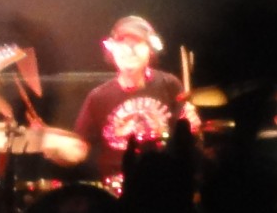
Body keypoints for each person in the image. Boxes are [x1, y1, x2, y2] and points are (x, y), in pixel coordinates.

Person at [72, 15, 197, 187]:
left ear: (150, 50)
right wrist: (54, 144)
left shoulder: (170, 85)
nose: (129, 51)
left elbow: (186, 141)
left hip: (163, 183)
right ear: (112, 51)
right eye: (122, 45)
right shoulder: (98, 97)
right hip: (116, 187)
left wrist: (192, 126)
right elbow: (78, 148)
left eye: (136, 44)